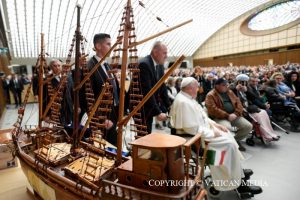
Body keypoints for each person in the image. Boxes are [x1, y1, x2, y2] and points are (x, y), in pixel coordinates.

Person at [170, 77, 262, 194]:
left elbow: (203, 117)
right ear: (189, 88)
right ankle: (237, 182)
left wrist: (216, 125)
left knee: (227, 133)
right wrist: (212, 132)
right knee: (228, 144)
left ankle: (238, 172)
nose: (198, 89)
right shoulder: (183, 102)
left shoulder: (188, 98)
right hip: (196, 138)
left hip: (201, 132)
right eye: (196, 87)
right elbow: (191, 128)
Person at [87, 33, 119, 146]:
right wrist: (101, 120)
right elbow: (88, 98)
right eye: (108, 44)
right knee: (105, 149)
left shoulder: (107, 65)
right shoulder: (89, 67)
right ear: (98, 46)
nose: (111, 47)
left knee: (114, 146)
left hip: (113, 114)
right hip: (102, 119)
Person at [205, 78, 252, 151]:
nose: (226, 86)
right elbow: (213, 110)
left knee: (248, 126)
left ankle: (235, 140)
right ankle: (230, 144)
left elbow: (238, 103)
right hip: (220, 117)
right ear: (217, 86)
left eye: (226, 85)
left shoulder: (229, 92)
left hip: (234, 115)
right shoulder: (210, 95)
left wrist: (236, 114)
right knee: (227, 128)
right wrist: (227, 115)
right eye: (223, 85)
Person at [231, 74, 279, 142]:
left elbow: (254, 98)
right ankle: (265, 135)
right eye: (241, 81)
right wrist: (236, 90)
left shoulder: (248, 88)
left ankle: (270, 133)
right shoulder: (232, 88)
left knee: (263, 112)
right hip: (240, 109)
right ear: (237, 81)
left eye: (245, 82)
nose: (243, 83)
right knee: (258, 116)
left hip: (249, 108)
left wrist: (247, 91)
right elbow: (231, 97)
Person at [139, 41, 170, 133]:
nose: (166, 56)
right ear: (155, 52)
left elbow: (162, 86)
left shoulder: (160, 66)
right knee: (143, 135)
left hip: (150, 106)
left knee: (147, 133)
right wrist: (158, 112)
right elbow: (147, 91)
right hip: (141, 108)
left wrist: (169, 106)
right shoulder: (144, 64)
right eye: (164, 53)